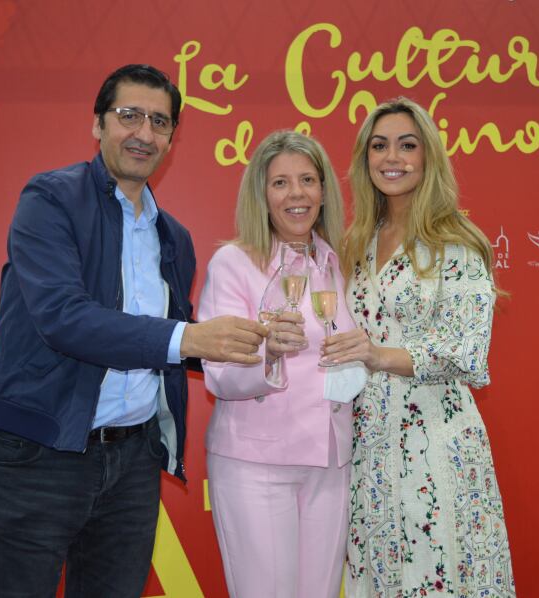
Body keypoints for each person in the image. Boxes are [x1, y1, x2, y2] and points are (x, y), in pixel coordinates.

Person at [0, 64, 267, 598]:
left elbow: (174, 337)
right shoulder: (51, 200)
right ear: (98, 124)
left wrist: (250, 341)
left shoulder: (173, 236)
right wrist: (189, 339)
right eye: (129, 116)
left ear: (172, 139)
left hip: (131, 463)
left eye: (159, 121)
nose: (144, 133)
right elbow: (65, 317)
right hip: (38, 454)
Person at [322, 97, 516, 597]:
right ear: (365, 158)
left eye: (408, 146)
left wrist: (377, 354)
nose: (393, 158)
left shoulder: (458, 242)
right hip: (369, 449)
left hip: (437, 444)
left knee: (444, 572)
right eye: (380, 146)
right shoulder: (357, 242)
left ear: (428, 157)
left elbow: (470, 352)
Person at [198, 130, 365, 598]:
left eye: (308, 180)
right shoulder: (234, 262)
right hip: (257, 465)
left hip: (331, 463)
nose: (297, 194)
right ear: (262, 194)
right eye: (281, 183)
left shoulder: (340, 264)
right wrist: (268, 353)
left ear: (324, 191)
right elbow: (220, 376)